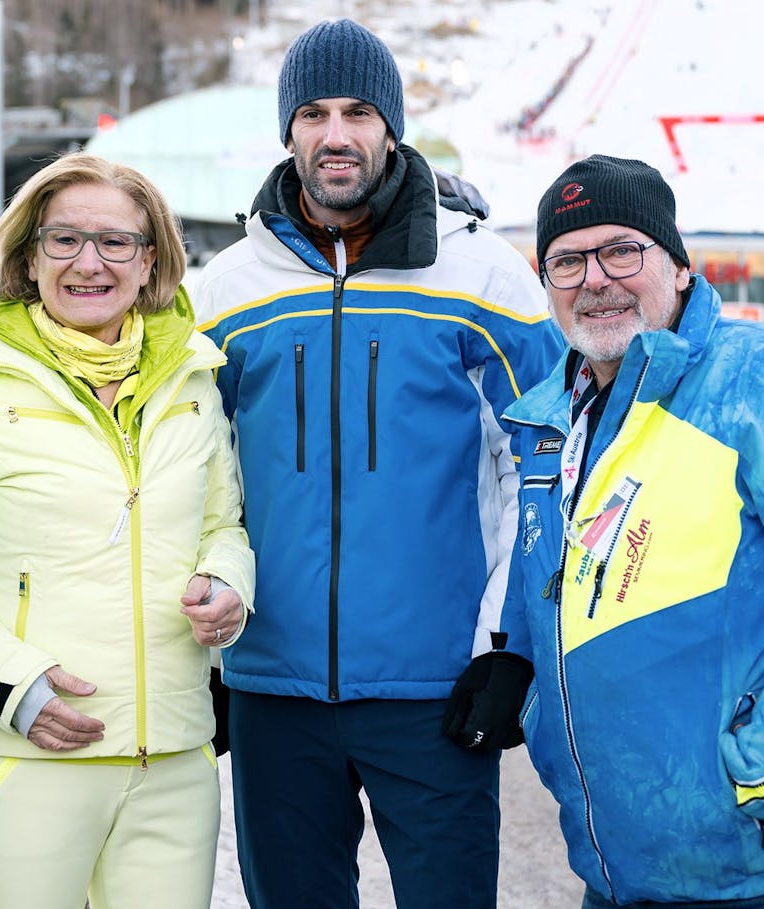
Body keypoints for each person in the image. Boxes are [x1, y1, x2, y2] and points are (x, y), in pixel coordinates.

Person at [193, 18, 561, 909]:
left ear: (390, 127)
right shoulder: (227, 288)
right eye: (313, 113)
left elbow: (547, 462)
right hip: (272, 691)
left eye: (359, 111)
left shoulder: (481, 274)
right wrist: (204, 665)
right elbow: (195, 475)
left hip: (436, 690)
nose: (336, 134)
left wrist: (506, 646)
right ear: (288, 132)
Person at [501, 154, 764, 908]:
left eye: (621, 250)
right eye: (568, 260)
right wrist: (517, 673)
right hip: (617, 866)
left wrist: (761, 764)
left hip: (760, 869)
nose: (595, 278)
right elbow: (558, 585)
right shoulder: (551, 421)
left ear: (676, 263)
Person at [0, 152, 255, 909]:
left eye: (116, 243)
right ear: (27, 258)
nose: (88, 263)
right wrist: (15, 688)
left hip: (170, 761)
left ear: (153, 262)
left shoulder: (193, 381)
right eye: (63, 240)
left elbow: (222, 525)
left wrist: (231, 583)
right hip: (25, 754)